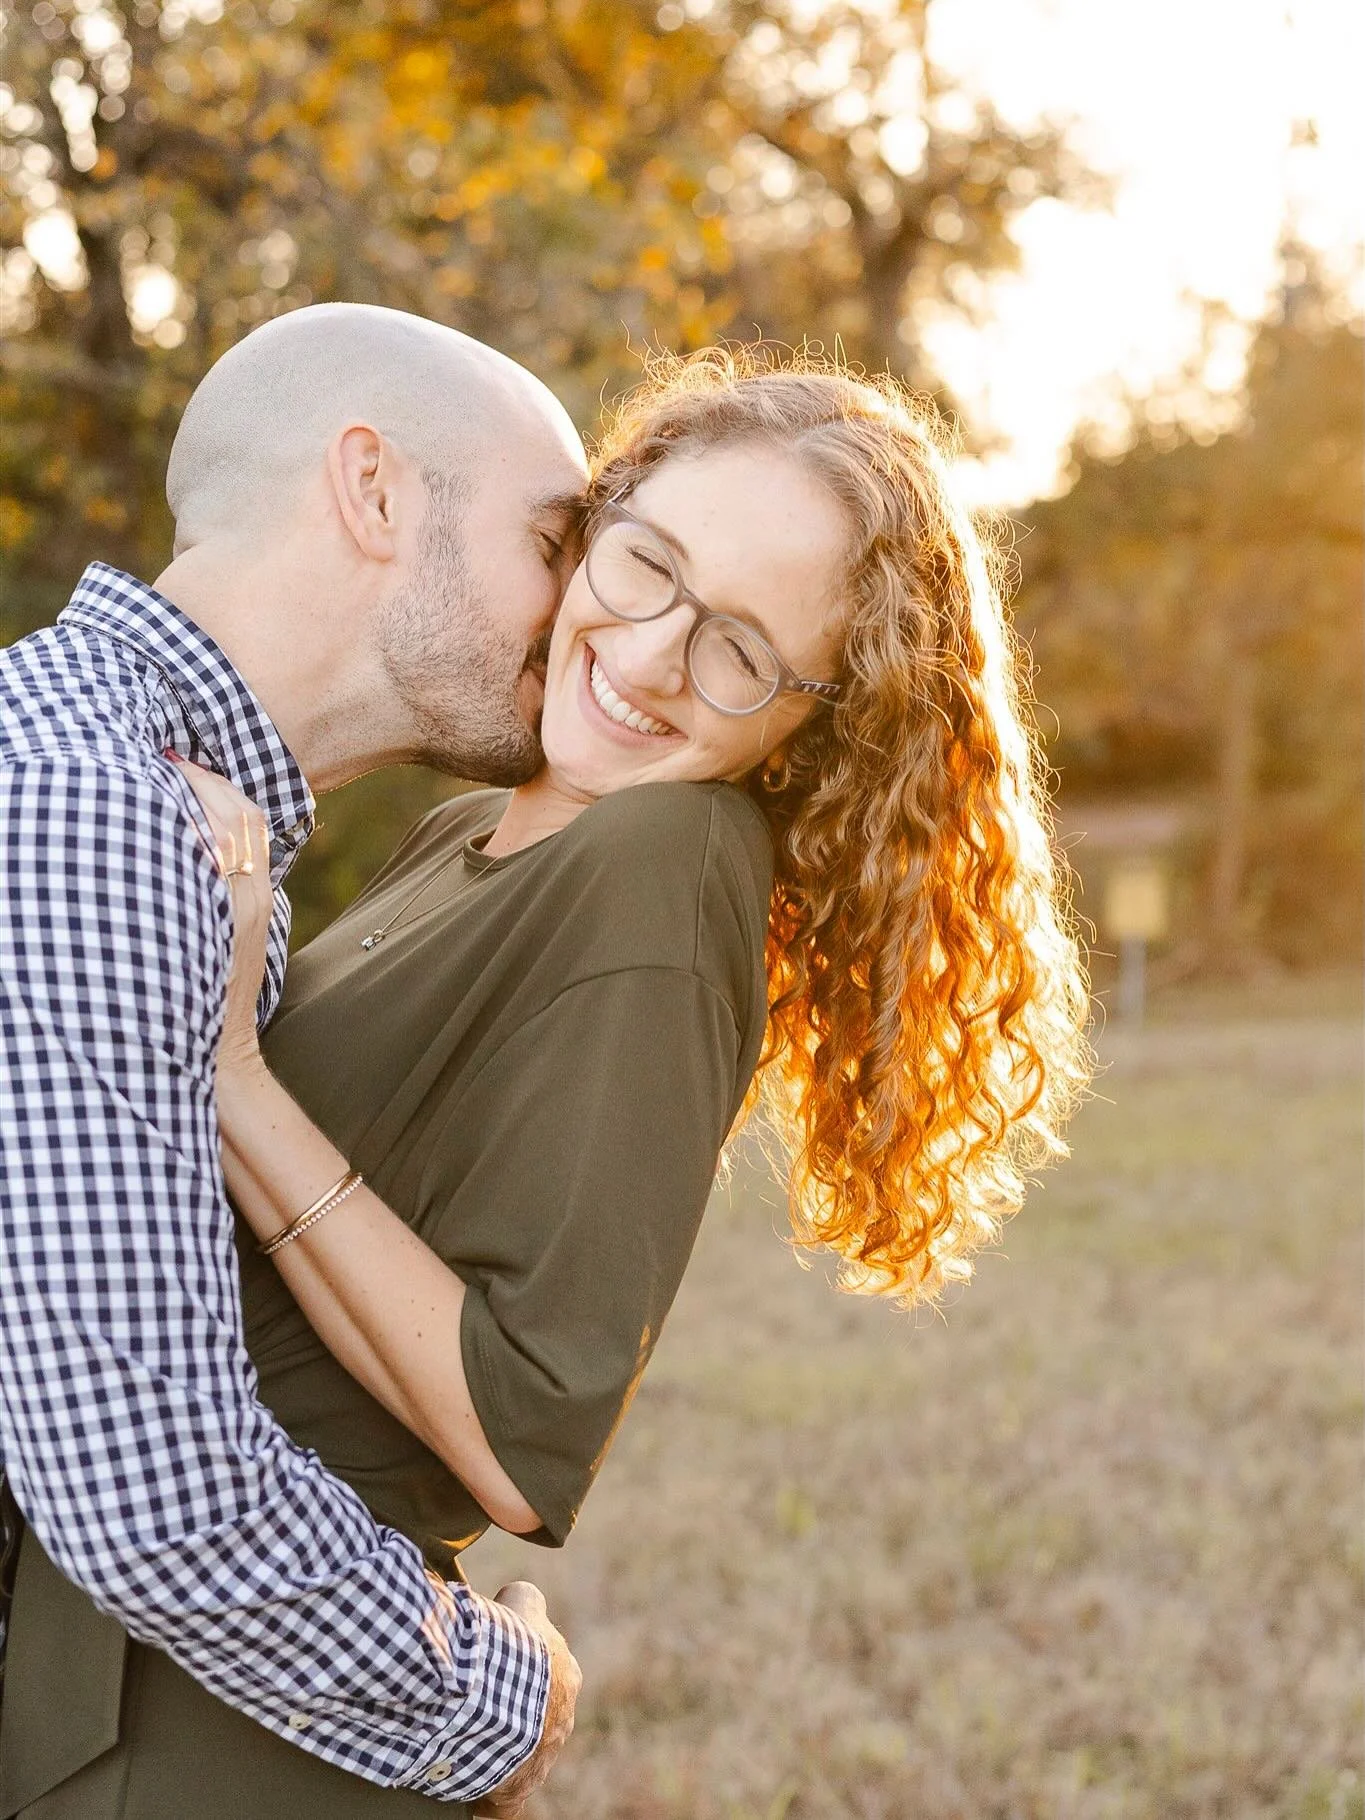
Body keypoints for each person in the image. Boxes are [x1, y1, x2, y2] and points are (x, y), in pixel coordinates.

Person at [46, 347, 1089, 1814]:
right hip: (128, 1677)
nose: (655, 655)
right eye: (645, 565)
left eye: (740, 650)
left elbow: (528, 1429)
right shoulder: (452, 837)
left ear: (808, 717)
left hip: (248, 1732)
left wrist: (230, 1081)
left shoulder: (666, 864)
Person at [0, 303, 591, 1819]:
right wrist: (492, 1695)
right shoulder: (99, 816)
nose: (583, 609)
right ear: (375, 491)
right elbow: (148, 1494)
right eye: (552, 538)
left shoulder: (132, 790)